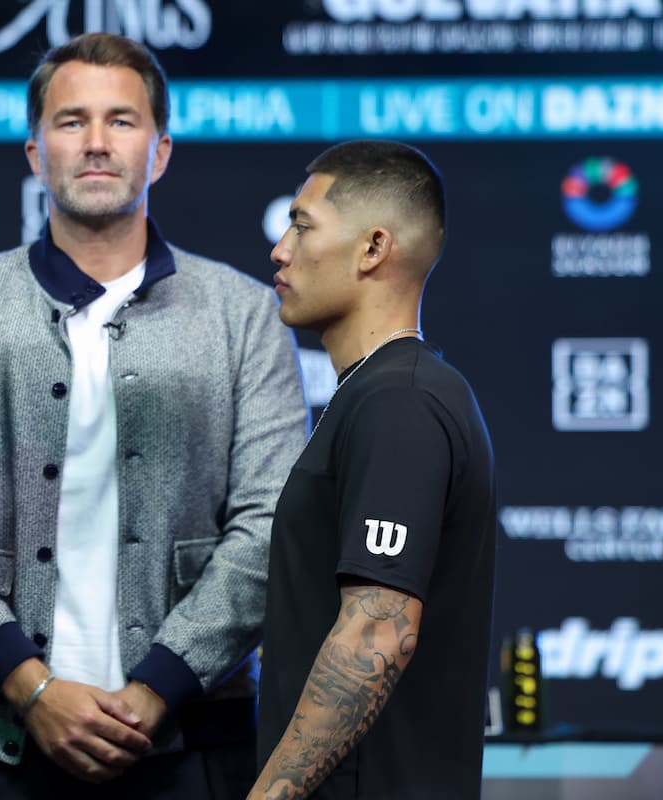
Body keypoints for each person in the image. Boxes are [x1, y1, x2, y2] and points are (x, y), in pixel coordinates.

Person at [0, 32, 308, 800]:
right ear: (35, 152)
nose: (98, 142)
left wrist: (160, 685)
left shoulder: (244, 314)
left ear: (162, 151)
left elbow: (273, 525)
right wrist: (28, 684)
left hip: (192, 743)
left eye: (123, 120)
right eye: (72, 121)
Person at [250, 140, 497, 800]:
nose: (279, 250)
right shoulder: (377, 394)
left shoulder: (399, 403)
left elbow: (377, 631)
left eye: (301, 226)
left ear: (372, 248)